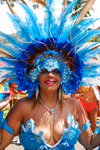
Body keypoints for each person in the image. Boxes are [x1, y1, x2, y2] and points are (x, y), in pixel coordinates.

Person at [0, 0, 100, 149]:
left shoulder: (74, 106)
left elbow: (90, 143)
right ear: (34, 75)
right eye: (44, 71)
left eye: (56, 71)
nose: (51, 75)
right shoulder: (22, 107)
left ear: (64, 76)